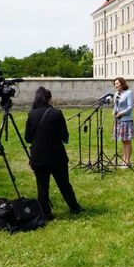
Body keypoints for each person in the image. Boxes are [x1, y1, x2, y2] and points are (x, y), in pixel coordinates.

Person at [24, 87, 83, 221]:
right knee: (64, 184)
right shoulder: (56, 113)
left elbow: (27, 138)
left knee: (42, 186)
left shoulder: (31, 114)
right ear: (49, 98)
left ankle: (45, 213)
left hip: (38, 156)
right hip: (56, 155)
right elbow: (64, 136)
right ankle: (74, 207)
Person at [113, 77, 134, 167]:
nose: (116, 85)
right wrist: (114, 111)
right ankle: (124, 159)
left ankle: (127, 161)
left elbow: (130, 107)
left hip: (126, 120)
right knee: (122, 141)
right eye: (115, 84)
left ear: (122, 83)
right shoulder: (116, 94)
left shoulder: (128, 93)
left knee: (127, 140)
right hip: (118, 120)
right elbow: (115, 105)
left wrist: (121, 113)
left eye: (118, 83)